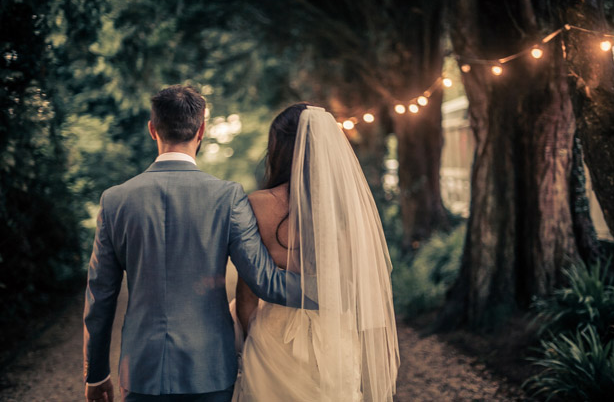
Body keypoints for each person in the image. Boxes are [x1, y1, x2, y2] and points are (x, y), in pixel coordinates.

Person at [83, 85, 305, 402]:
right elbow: (266, 282)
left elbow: (100, 295)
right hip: (210, 367)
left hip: (142, 369)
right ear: (201, 130)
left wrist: (96, 373)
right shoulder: (228, 197)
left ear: (152, 129)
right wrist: (334, 292)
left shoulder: (115, 200)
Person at [232, 104, 400, 401]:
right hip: (334, 338)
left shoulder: (256, 204)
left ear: (278, 148)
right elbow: (362, 287)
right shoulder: (349, 209)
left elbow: (247, 294)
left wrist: (253, 340)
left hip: (274, 337)